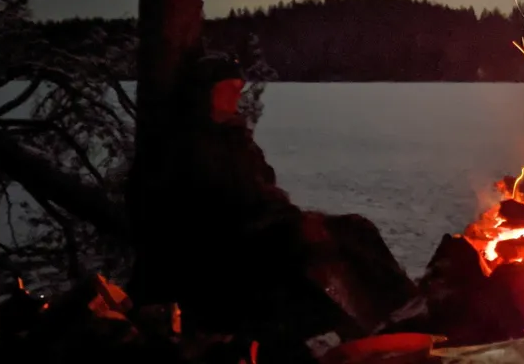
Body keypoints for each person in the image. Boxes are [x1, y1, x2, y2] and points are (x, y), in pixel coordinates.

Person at [132, 53, 358, 359]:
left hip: (257, 229)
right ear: (204, 94)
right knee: (296, 259)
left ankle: (379, 315)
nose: (234, 98)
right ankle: (326, 330)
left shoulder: (237, 139)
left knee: (351, 230)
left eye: (237, 90)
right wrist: (279, 220)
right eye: (225, 89)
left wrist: (289, 214)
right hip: (219, 247)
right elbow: (212, 203)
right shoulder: (185, 143)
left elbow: (264, 184)